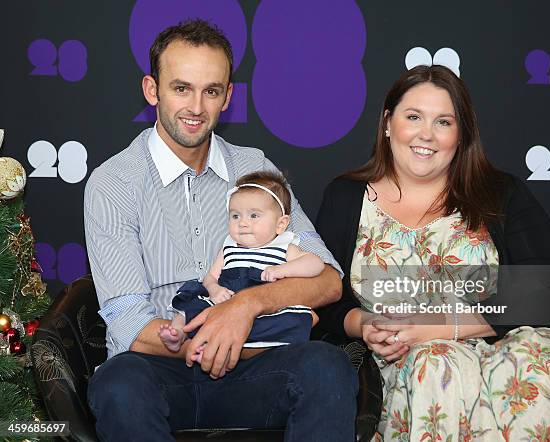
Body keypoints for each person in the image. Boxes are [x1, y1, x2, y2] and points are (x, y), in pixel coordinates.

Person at [84, 19, 357, 441]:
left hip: (252, 370)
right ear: (151, 90)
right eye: (181, 88)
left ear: (228, 97)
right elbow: (128, 321)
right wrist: (210, 336)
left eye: (211, 91)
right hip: (159, 370)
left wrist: (244, 308)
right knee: (118, 384)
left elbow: (327, 280)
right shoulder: (113, 182)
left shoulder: (253, 167)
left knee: (326, 367)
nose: (196, 107)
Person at [313, 65, 550, 440]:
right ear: (388, 123)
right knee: (433, 366)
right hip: (414, 357)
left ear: (461, 135)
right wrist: (365, 325)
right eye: (414, 117)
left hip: (516, 338)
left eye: (443, 122)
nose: (426, 135)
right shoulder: (346, 197)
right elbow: (325, 298)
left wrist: (437, 326)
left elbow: (545, 287)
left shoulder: (501, 192)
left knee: (533, 365)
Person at [159, 170, 323, 357]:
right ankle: (178, 334)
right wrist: (214, 290)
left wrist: (282, 269)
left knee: (298, 318)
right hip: (225, 299)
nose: (242, 223)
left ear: (280, 224)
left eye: (254, 216)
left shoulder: (284, 247)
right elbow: (210, 277)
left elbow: (315, 263)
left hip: (261, 306)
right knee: (191, 303)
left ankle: (226, 347)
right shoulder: (229, 247)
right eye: (235, 216)